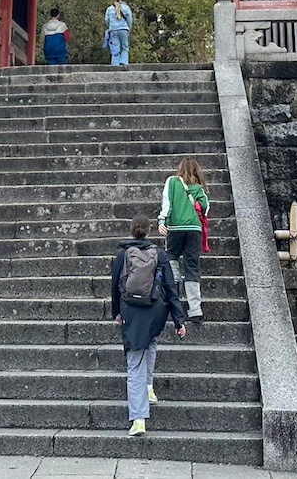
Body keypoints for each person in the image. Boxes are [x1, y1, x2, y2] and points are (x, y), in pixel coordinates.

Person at [110, 214, 186, 437]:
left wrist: (117, 312)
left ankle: (138, 419)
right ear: (149, 230)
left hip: (131, 309)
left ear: (132, 229)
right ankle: (149, 387)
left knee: (135, 362)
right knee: (150, 342)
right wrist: (179, 319)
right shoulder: (159, 254)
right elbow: (171, 287)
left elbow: (115, 286)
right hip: (155, 310)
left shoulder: (123, 253)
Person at [158, 157, 210, 322]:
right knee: (192, 266)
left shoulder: (172, 182)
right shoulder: (198, 188)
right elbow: (205, 208)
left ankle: (174, 287)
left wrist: (162, 221)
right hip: (194, 229)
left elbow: (167, 203)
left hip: (175, 228)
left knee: (171, 256)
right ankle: (195, 310)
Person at [105, 0, 133, 67]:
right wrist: (129, 29)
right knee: (124, 47)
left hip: (113, 30)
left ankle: (115, 64)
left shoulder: (109, 9)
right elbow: (129, 20)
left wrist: (110, 26)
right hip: (123, 29)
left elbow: (107, 20)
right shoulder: (126, 8)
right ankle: (123, 62)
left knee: (115, 47)